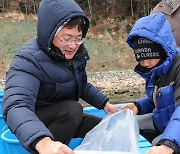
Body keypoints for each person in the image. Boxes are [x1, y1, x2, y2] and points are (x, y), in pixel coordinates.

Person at [2, 0, 119, 153]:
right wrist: (42, 142)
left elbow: (81, 84)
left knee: (105, 128)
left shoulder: (74, 54)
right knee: (73, 109)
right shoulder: (28, 60)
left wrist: (106, 105)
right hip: (35, 125)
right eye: (67, 38)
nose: (73, 45)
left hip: (64, 118)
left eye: (78, 38)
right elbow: (16, 106)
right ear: (50, 33)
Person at [121, 12, 180, 154]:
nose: (145, 63)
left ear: (162, 51)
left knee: (160, 143)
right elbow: (159, 98)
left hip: (176, 129)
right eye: (141, 59)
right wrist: (138, 106)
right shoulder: (157, 68)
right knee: (129, 124)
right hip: (165, 121)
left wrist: (168, 144)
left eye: (149, 57)